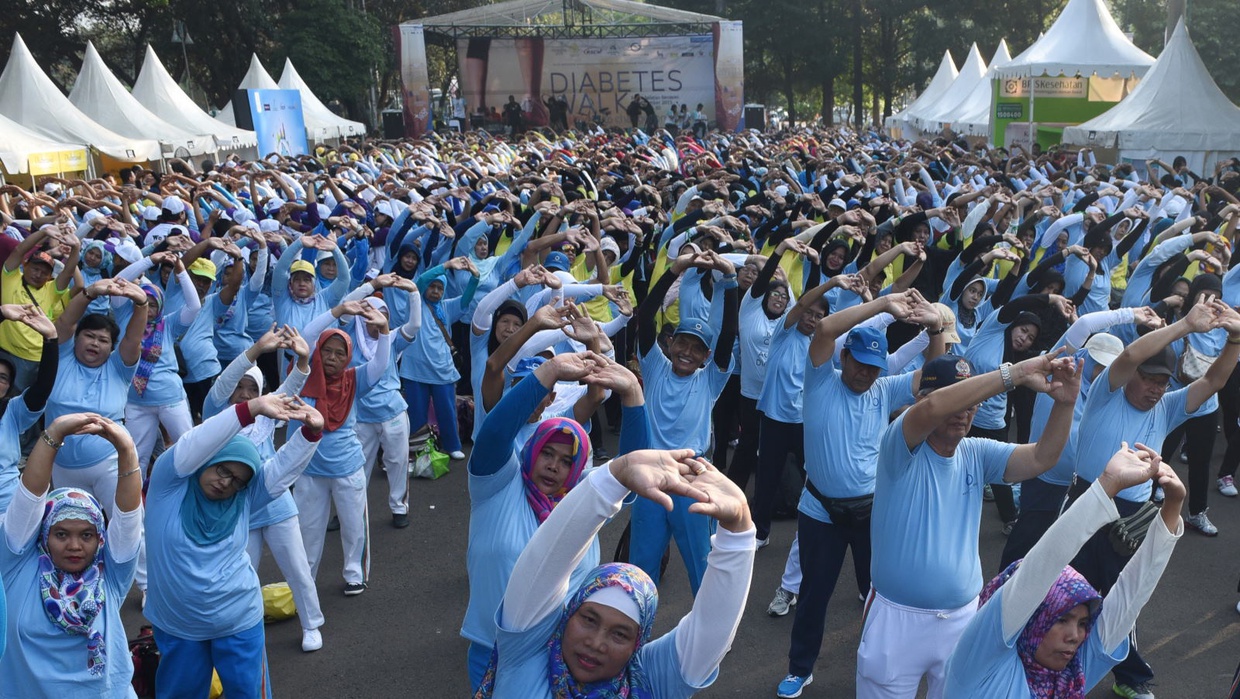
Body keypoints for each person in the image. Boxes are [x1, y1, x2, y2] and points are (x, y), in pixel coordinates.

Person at [858, 350, 1081, 699]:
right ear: (920, 400)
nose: (964, 411)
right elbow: (933, 410)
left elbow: (1042, 457)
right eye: (957, 399)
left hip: (962, 620)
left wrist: (1065, 404)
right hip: (896, 619)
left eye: (971, 401)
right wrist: (1014, 374)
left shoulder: (976, 453)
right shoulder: (899, 447)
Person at [474, 448, 755, 698]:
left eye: (619, 635)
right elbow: (544, 563)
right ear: (568, 614)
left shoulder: (650, 681)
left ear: (637, 644)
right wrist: (613, 478)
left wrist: (739, 527)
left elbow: (710, 630)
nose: (595, 644)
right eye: (588, 619)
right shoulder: (529, 652)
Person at [1069, 296, 1240, 699]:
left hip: (1131, 517)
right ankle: (1049, 665)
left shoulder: (1167, 406)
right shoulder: (1105, 391)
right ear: (1129, 376)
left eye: (1163, 381)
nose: (1155, 388)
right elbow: (1129, 354)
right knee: (1064, 591)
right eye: (1149, 379)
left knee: (1123, 602)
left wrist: (1235, 340)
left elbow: (1213, 382)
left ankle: (1128, 677)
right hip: (1085, 503)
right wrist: (1185, 326)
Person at [776, 290, 945, 698]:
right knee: (815, 593)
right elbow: (827, 328)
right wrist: (884, 305)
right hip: (819, 510)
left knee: (880, 593)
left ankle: (882, 666)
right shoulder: (820, 380)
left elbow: (940, 377)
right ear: (844, 357)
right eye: (859, 364)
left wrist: (937, 326)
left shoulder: (885, 390)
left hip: (873, 511)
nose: (865, 374)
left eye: (874, 367)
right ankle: (801, 668)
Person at [463, 352, 645, 691]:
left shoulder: (580, 499)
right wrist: (552, 370)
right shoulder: (497, 485)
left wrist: (633, 394)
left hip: (564, 657)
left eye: (566, 460)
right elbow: (494, 433)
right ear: (532, 450)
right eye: (547, 453)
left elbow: (633, 473)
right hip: (493, 650)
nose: (553, 466)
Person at [943, 443, 1184, 698]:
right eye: (1061, 619)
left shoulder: (1072, 674)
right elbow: (1041, 568)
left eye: (1082, 623)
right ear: (1028, 617)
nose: (1075, 636)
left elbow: (1131, 595)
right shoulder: (981, 660)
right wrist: (1107, 485)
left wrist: (1174, 505)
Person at [144, 393, 324, 698]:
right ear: (208, 460)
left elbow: (280, 470)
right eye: (223, 469)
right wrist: (250, 409)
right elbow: (195, 442)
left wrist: (312, 432)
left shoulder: (244, 497)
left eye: (237, 480)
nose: (226, 483)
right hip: (179, 626)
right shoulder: (168, 482)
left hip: (239, 620)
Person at [0, 412, 142, 697]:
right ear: (43, 535)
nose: (75, 546)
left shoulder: (110, 575)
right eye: (61, 534)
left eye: (87, 535)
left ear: (100, 539)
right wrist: (53, 433)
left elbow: (127, 518)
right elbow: (29, 499)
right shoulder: (17, 565)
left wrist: (127, 450)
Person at [291, 312, 391, 596]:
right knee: (307, 531)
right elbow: (308, 332)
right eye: (327, 351)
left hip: (347, 468)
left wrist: (383, 331)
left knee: (353, 527)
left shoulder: (354, 379)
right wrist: (336, 311)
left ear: (348, 356)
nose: (333, 357)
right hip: (309, 470)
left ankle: (354, 574)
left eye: (340, 352)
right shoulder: (301, 378)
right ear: (317, 352)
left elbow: (381, 363)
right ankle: (304, 581)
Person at [46, 278, 148, 512]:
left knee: (129, 526)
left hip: (111, 462)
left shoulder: (118, 368)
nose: (95, 343)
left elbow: (133, 339)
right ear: (76, 338)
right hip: (62, 465)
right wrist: (90, 293)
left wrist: (141, 304)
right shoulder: (61, 358)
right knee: (72, 526)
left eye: (103, 340)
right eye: (89, 336)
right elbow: (64, 322)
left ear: (112, 347)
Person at [0, 304, 59, 516]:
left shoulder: (12, 412)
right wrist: (2, 314)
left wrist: (51, 339)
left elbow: (42, 388)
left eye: (3, 378)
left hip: (6, 509)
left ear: (8, 388)